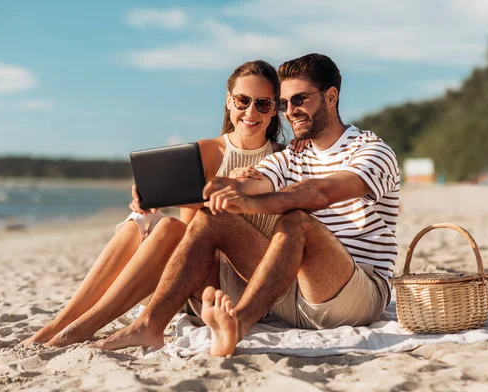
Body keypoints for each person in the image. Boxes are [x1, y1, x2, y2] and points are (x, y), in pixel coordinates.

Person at [88, 53, 400, 357]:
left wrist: (249, 202)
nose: (290, 111)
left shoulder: (372, 151)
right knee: (210, 217)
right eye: (283, 103)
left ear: (330, 97)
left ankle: (236, 326)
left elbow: (321, 193)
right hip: (292, 293)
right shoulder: (293, 155)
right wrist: (164, 194)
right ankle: (149, 325)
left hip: (354, 293)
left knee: (297, 221)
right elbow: (248, 183)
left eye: (300, 99)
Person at [21, 59, 295, 348]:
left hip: (243, 286)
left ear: (275, 108)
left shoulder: (282, 159)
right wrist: (153, 197)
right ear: (229, 101)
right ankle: (62, 322)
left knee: (167, 228)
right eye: (242, 100)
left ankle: (84, 327)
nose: (251, 112)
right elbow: (191, 236)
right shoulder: (205, 151)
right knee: (137, 224)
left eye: (263, 104)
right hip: (196, 276)